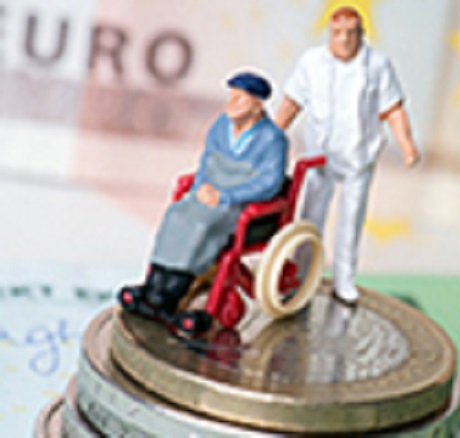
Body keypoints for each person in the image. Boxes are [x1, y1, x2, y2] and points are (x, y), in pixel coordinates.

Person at [275, 6, 420, 305]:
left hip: (358, 157)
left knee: (351, 220)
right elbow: (292, 102)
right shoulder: (311, 62)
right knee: (309, 219)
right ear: (329, 32)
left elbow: (393, 108)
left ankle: (344, 280)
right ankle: (299, 276)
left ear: (361, 34)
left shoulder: (378, 65)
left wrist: (406, 144)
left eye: (351, 33)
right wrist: (274, 133)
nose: (344, 39)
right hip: (319, 156)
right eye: (338, 33)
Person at [120, 71, 288, 319]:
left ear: (257, 105)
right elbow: (206, 163)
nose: (232, 103)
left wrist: (226, 195)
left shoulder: (272, 139)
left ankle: (171, 293)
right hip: (209, 195)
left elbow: (269, 183)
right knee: (177, 214)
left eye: (240, 99)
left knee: (201, 225)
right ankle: (153, 284)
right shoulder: (221, 126)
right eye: (231, 97)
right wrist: (201, 189)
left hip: (238, 203)